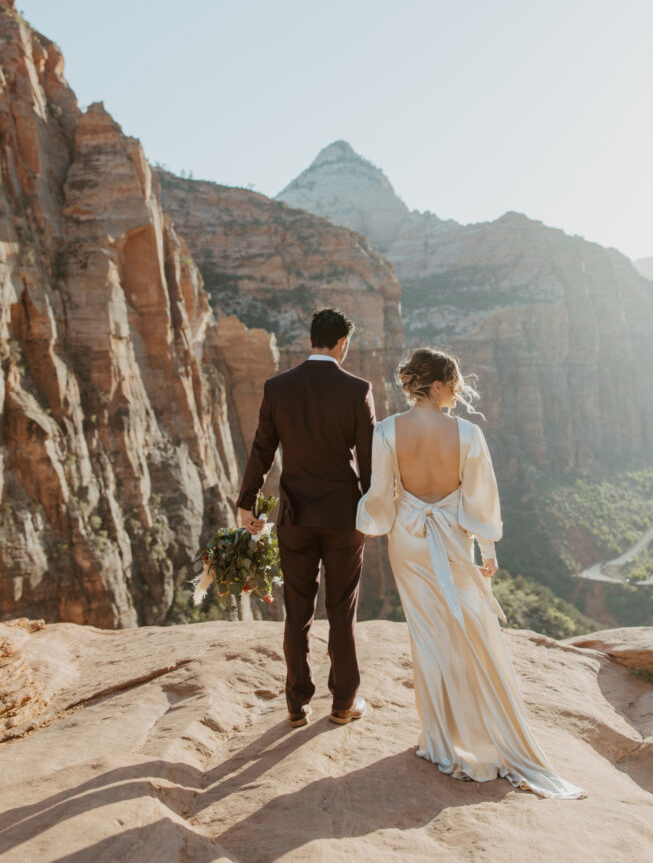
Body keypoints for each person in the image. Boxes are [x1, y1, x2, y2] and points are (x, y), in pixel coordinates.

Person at [356, 347, 586, 798]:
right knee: (471, 630)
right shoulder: (467, 434)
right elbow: (481, 499)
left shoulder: (385, 431)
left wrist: (368, 523)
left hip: (407, 539)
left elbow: (381, 495)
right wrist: (486, 546)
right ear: (437, 385)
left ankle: (441, 740)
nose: (459, 391)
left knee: (426, 635)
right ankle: (480, 734)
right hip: (454, 540)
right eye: (455, 383)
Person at [237, 307, 376, 728]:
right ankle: (343, 702)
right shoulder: (357, 389)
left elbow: (262, 449)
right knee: (341, 610)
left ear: (311, 340)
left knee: (297, 611)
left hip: (294, 516)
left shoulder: (278, 387)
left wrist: (248, 503)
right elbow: (369, 460)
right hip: (344, 518)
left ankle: (297, 704)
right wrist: (372, 509)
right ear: (342, 344)